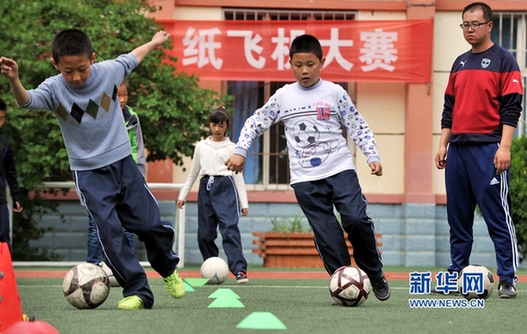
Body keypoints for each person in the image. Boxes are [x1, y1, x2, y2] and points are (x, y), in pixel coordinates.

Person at [0, 28, 185, 310]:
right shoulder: (54, 88)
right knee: (110, 233)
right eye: (68, 71)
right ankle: (138, 292)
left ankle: (168, 268)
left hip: (123, 163)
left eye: (82, 69)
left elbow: (133, 57)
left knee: (149, 224)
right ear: (55, 65)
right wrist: (15, 79)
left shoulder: (109, 72)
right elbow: (26, 101)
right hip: (88, 174)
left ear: (93, 59)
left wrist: (154, 41)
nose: (75, 77)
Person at [225, 34, 390, 301]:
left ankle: (374, 272)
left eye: (310, 64)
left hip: (340, 169)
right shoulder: (283, 97)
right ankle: (344, 282)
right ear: (289, 62)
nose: (304, 70)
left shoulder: (335, 92)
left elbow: (357, 125)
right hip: (305, 179)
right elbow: (255, 122)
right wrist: (240, 150)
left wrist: (372, 155)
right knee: (328, 234)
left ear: (322, 62)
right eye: (298, 64)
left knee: (356, 221)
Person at [435, 2, 523, 298]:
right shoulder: (459, 63)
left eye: (474, 24)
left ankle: (508, 278)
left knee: (498, 216)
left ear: (489, 26)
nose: (469, 30)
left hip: (488, 150)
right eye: (464, 25)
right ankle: (455, 274)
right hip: (458, 150)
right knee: (457, 218)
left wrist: (505, 148)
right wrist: (442, 144)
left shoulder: (504, 60)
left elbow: (512, 109)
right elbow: (449, 108)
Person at [177, 107, 250, 283]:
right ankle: (211, 266)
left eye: (221, 125)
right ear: (209, 124)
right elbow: (193, 173)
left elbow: (238, 177)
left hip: (225, 187)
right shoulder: (201, 146)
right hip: (206, 187)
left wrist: (244, 202)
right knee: (205, 233)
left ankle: (239, 270)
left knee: (229, 228)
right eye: (214, 124)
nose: (217, 128)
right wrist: (183, 195)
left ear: (227, 126)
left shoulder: (233, 148)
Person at [86, 81, 144, 266]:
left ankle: (127, 267)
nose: (121, 100)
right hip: (101, 177)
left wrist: (138, 176)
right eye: (116, 95)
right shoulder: (96, 114)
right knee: (96, 226)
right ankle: (92, 267)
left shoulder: (132, 117)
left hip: (126, 177)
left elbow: (137, 148)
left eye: (124, 95)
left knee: (127, 225)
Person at [0, 98, 23, 252]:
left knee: (3, 236)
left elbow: (11, 174)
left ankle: (4, 274)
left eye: (1, 119)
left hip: (0, 199)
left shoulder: (5, 144)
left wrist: (16, 197)